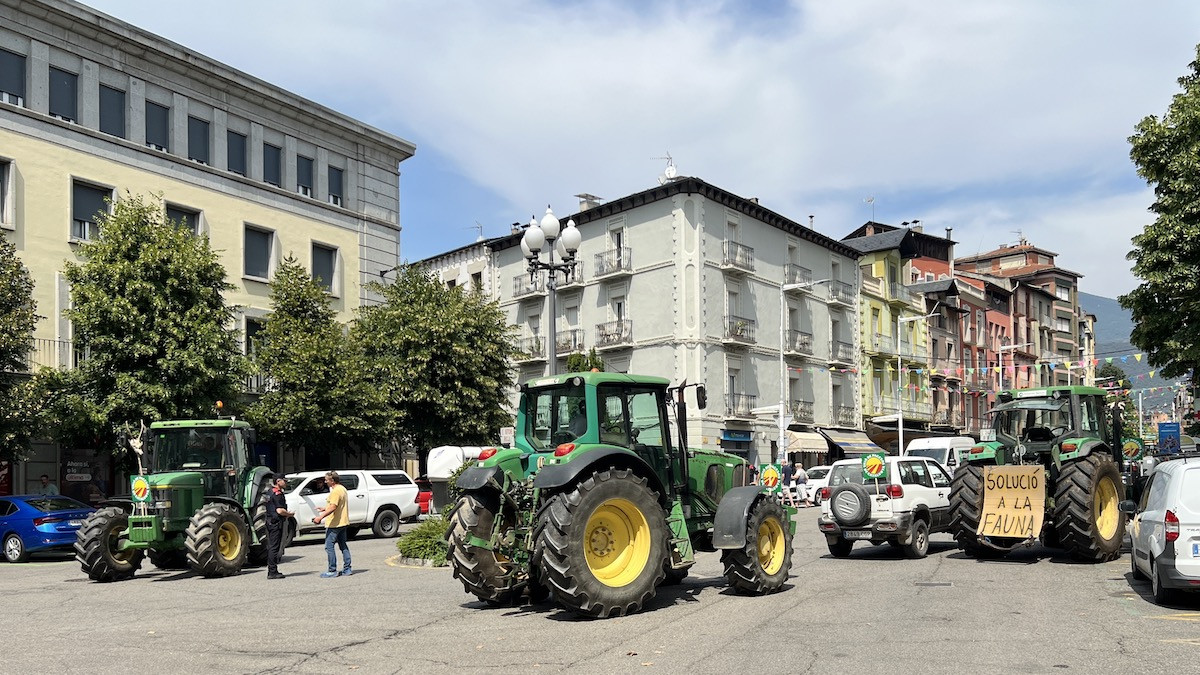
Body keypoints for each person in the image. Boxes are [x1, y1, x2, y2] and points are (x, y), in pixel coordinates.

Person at [312, 471, 352, 577]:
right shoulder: (342, 489)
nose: (325, 482)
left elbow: (334, 507)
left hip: (335, 523)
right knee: (343, 545)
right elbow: (336, 505)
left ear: (332, 480)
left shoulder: (335, 491)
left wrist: (320, 517)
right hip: (343, 522)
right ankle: (347, 569)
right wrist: (324, 508)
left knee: (329, 546)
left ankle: (332, 570)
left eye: (327, 480)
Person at [264, 474, 293, 580]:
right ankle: (272, 571)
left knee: (272, 546)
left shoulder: (270, 492)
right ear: (278, 481)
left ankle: (272, 570)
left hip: (270, 521)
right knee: (274, 547)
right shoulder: (277, 494)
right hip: (276, 523)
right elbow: (279, 510)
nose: (285, 482)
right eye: (284, 481)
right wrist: (289, 514)